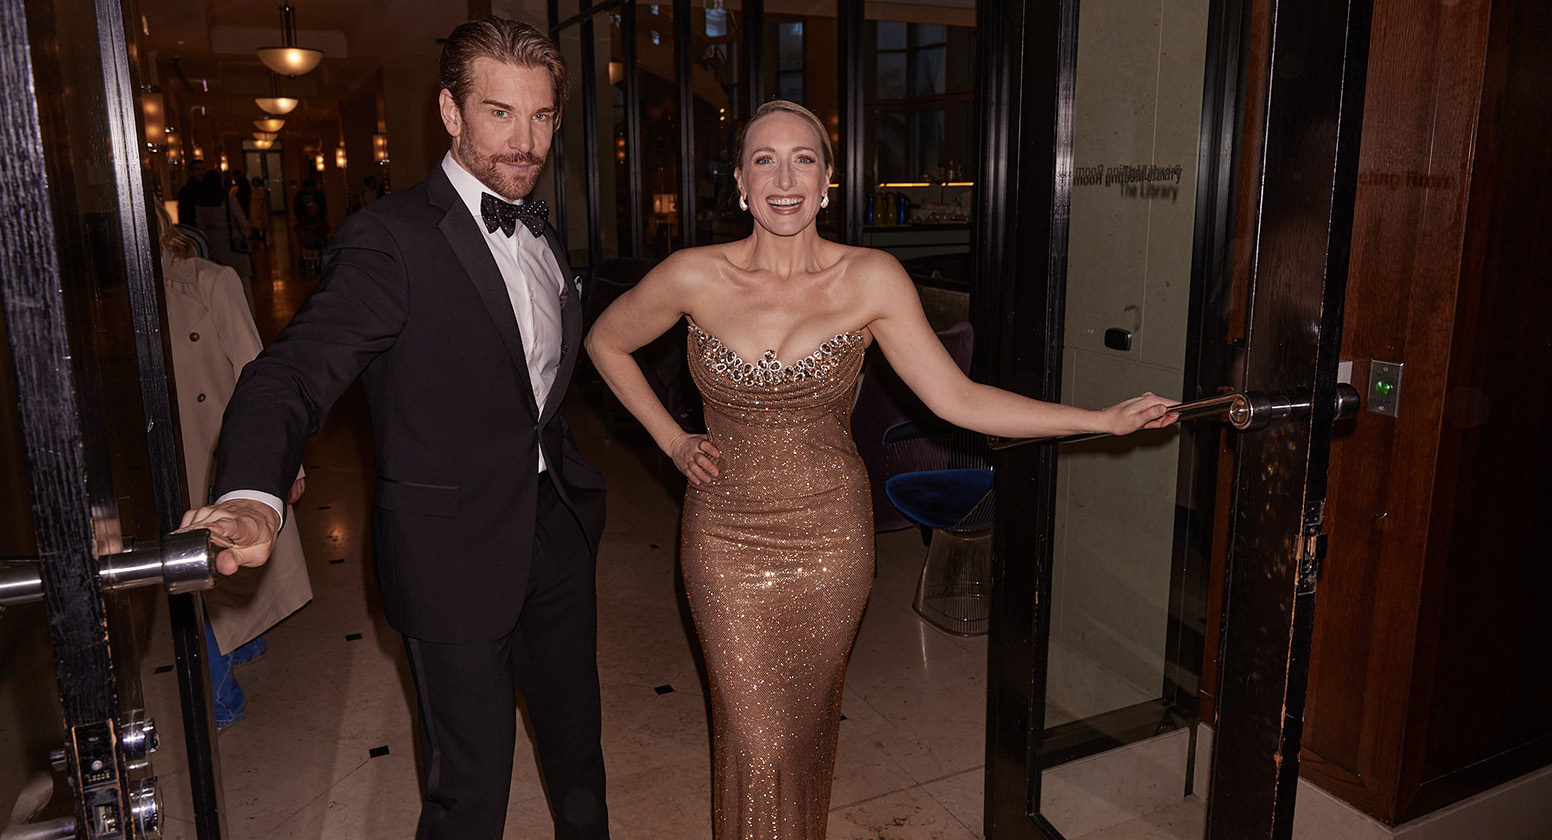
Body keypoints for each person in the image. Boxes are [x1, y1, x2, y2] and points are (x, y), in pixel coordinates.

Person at [583, 100, 1178, 840]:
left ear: (829, 181)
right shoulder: (692, 276)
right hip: (724, 539)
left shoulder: (870, 279)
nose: (784, 176)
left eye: (803, 158)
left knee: (797, 731)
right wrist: (672, 441)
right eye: (764, 158)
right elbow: (606, 342)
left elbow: (959, 399)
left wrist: (1097, 419)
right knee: (754, 734)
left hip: (831, 539)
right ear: (739, 183)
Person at [178, 17, 608, 840]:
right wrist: (253, 493)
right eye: (499, 114)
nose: (525, 142)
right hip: (451, 555)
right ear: (450, 112)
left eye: (542, 116)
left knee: (578, 752)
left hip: (554, 530)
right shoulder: (391, 240)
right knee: (470, 789)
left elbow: (534, 385)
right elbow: (288, 375)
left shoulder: (542, 228)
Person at [155, 204, 311, 729]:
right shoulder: (107, 296)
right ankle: (244, 643)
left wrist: (285, 461)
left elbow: (260, 374)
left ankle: (220, 697)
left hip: (216, 446)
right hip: (157, 455)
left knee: (206, 558)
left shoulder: (209, 281)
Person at [192, 169, 254, 314]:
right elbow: (242, 221)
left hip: (214, 244)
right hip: (232, 243)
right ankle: (248, 312)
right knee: (243, 280)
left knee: (220, 281)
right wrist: (245, 235)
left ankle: (227, 313)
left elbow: (200, 226)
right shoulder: (227, 199)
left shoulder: (201, 202)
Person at [177, 159, 206, 225]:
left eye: (203, 170)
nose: (202, 173)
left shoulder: (208, 189)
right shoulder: (186, 192)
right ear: (191, 172)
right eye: (199, 170)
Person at [248, 176, 270, 249]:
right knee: (260, 222)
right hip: (257, 207)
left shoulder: (260, 189)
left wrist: (253, 196)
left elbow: (260, 197)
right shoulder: (257, 189)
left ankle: (263, 235)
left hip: (260, 207)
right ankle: (260, 235)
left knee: (262, 222)